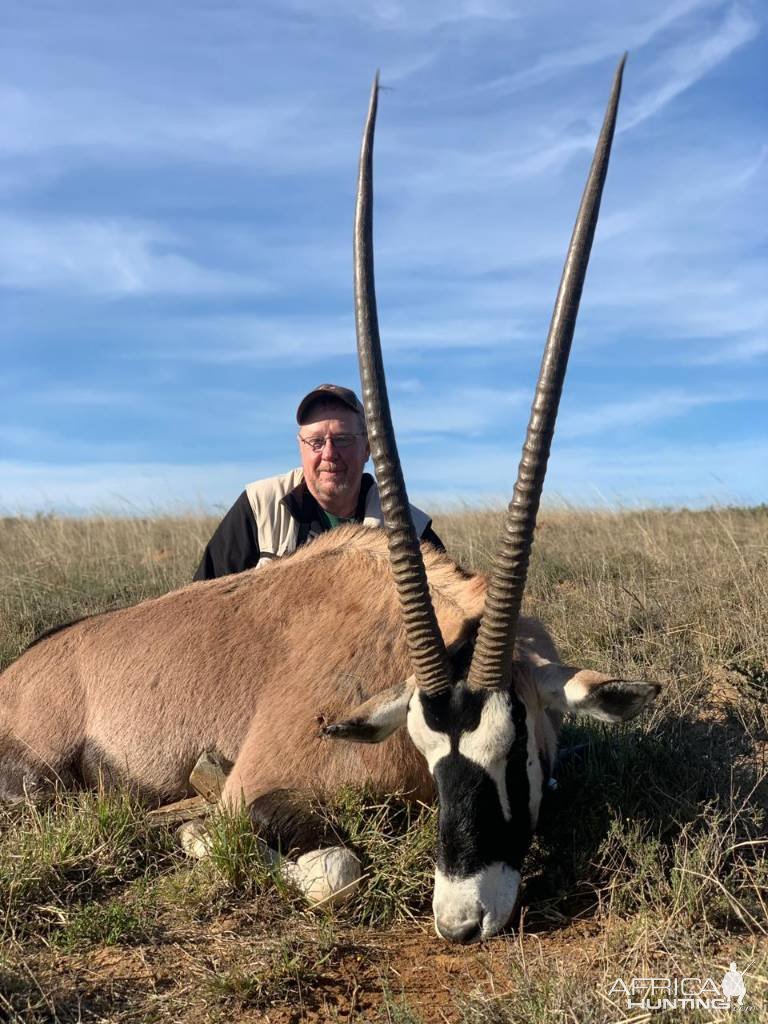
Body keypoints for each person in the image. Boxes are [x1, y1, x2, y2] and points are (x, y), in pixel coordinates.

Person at [194, 383, 443, 581]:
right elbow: (202, 599)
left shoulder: (410, 527)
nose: (329, 453)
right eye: (316, 442)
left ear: (367, 448)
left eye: (343, 439)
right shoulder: (259, 505)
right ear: (300, 447)